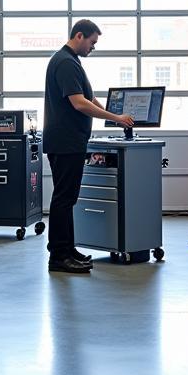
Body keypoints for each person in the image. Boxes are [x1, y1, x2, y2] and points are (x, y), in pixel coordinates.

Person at [42, 19, 134, 274]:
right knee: (63, 198)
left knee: (68, 198)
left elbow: (89, 98)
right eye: (92, 42)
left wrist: (112, 116)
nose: (93, 47)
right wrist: (116, 118)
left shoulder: (72, 62)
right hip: (65, 142)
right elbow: (79, 103)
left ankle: (67, 249)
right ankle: (58, 256)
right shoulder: (65, 63)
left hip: (70, 141)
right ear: (79, 36)